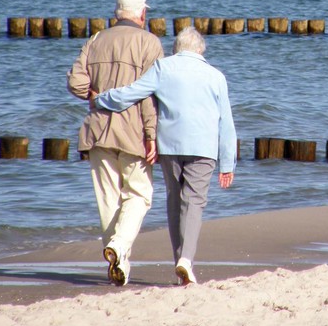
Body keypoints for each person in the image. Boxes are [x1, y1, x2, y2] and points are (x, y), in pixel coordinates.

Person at [91, 26, 236, 286]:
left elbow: (133, 92)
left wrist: (103, 99)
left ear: (176, 48)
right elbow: (226, 123)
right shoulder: (216, 76)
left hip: (169, 145)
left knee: (174, 200)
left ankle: (180, 261)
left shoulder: (163, 68)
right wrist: (227, 162)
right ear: (201, 49)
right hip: (203, 148)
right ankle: (186, 261)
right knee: (194, 202)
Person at [67, 0, 164, 286]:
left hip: (97, 130)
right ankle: (119, 249)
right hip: (133, 130)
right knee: (139, 194)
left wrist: (94, 96)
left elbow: (74, 82)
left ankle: (118, 258)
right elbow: (150, 95)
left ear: (116, 12)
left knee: (108, 199)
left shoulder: (96, 39)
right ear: (142, 13)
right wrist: (152, 134)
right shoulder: (150, 42)